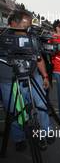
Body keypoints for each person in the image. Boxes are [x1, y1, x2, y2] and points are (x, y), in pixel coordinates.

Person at [0, 10, 53, 151]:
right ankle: (18, 138)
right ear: (13, 24)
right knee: (13, 111)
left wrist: (45, 76)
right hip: (8, 82)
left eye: (30, 25)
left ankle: (46, 131)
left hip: (33, 76)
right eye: (26, 25)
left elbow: (39, 58)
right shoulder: (2, 38)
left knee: (41, 104)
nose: (29, 29)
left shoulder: (31, 37)